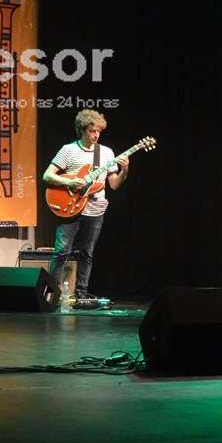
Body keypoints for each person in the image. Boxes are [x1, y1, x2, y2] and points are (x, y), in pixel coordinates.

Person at [42, 108, 129, 301]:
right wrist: (70, 182)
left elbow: (114, 184)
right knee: (61, 251)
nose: (96, 135)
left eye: (98, 131)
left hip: (95, 208)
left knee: (87, 253)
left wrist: (125, 171)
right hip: (70, 207)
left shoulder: (106, 153)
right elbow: (47, 175)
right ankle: (52, 293)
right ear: (82, 130)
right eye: (91, 131)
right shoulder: (68, 150)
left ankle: (81, 294)